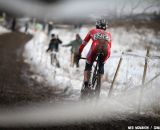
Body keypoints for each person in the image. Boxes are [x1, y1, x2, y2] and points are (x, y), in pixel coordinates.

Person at [78, 19, 112, 90]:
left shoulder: (92, 31)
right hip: (107, 50)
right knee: (101, 65)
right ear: (105, 27)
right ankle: (99, 85)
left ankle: (86, 84)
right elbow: (110, 46)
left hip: (95, 47)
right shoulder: (109, 34)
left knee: (88, 64)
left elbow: (83, 44)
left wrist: (79, 53)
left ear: (97, 25)